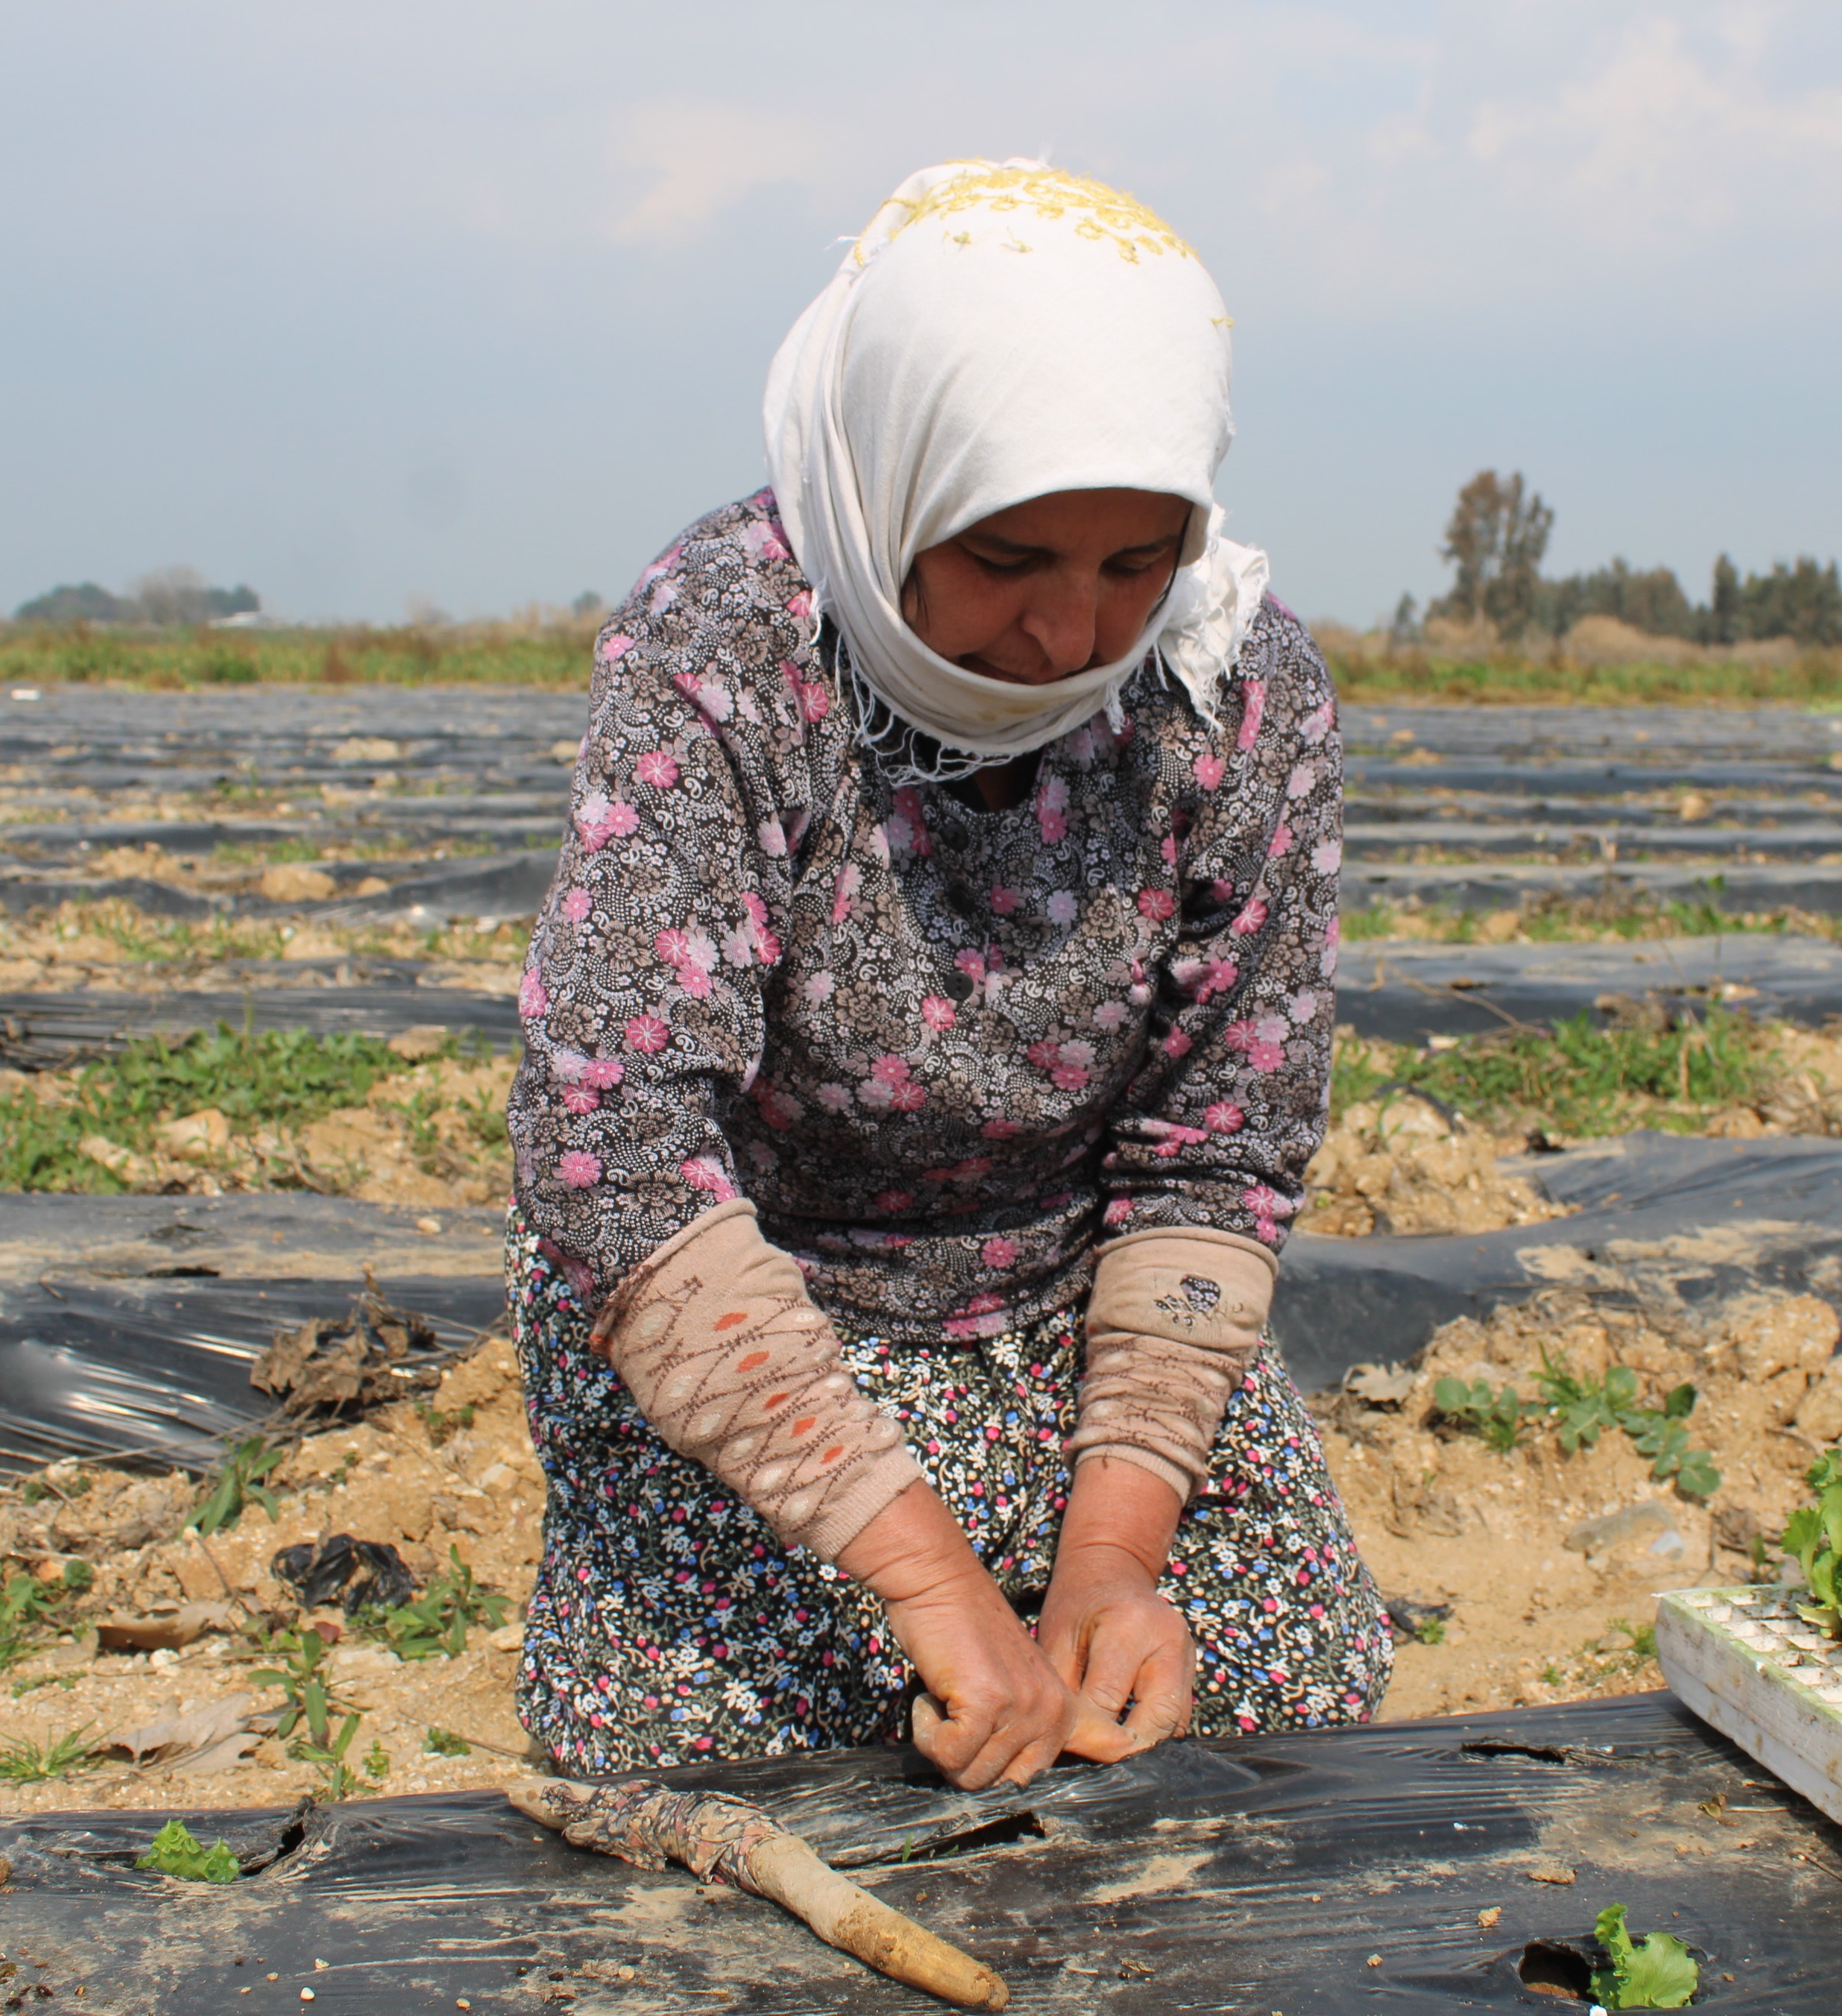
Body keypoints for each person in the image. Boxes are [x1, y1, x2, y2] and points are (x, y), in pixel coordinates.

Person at [504, 159, 1389, 1791]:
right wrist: (925, 1578)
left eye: (1136, 562)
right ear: (892, 485)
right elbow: (610, 1146)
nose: (1071, 635)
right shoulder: (731, 647)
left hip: (1066, 1300)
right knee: (717, 1757)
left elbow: (1217, 1151)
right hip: (755, 1310)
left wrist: (1110, 1556)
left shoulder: (1233, 689)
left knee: (1281, 1697)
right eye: (1006, 557)